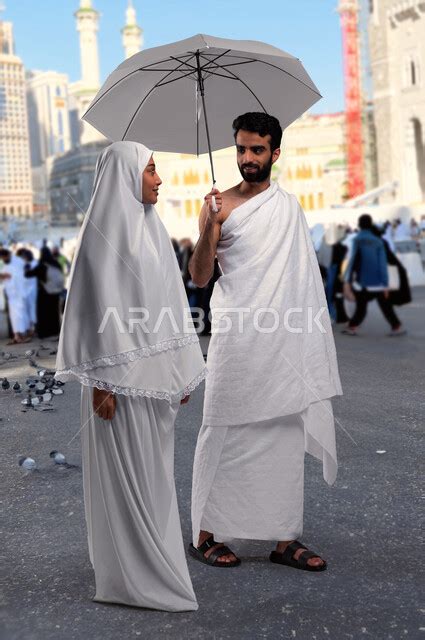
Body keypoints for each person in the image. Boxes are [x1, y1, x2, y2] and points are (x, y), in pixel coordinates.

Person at [54, 141, 207, 612]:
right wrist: (101, 384)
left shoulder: (152, 231)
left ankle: (152, 562)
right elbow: (94, 311)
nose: (159, 180)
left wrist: (179, 370)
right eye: (151, 171)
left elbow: (170, 308)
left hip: (154, 387)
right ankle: (132, 578)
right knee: (128, 481)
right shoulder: (103, 234)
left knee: (155, 477)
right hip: (116, 389)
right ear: (126, 176)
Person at [188, 112, 342, 571]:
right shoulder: (220, 206)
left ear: (275, 153)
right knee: (222, 428)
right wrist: (210, 229)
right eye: (240, 149)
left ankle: (283, 540)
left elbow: (299, 280)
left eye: (257, 150)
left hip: (284, 341)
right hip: (237, 340)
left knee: (282, 433)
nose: (247, 158)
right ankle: (204, 533)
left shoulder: (288, 206)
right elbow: (198, 276)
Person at [342, 214, 406, 337]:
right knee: (385, 306)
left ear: (359, 225)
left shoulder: (356, 240)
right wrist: (385, 283)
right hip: (378, 282)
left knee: (361, 306)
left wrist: (347, 280)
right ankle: (396, 326)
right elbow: (382, 264)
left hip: (362, 282)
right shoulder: (378, 241)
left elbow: (352, 261)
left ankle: (352, 326)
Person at [24, 246, 64, 340]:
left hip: (44, 293)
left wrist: (26, 267)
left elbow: (28, 274)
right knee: (54, 313)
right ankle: (55, 331)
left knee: (43, 313)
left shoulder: (42, 266)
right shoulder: (56, 264)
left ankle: (45, 333)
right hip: (55, 292)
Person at [0, 247, 29, 344]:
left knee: (20, 315)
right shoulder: (5, 266)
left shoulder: (16, 264)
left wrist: (7, 276)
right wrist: (3, 276)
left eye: (4, 257)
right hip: (12, 296)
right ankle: (17, 336)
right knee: (14, 316)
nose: (3, 259)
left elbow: (18, 277)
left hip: (18, 294)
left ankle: (21, 335)